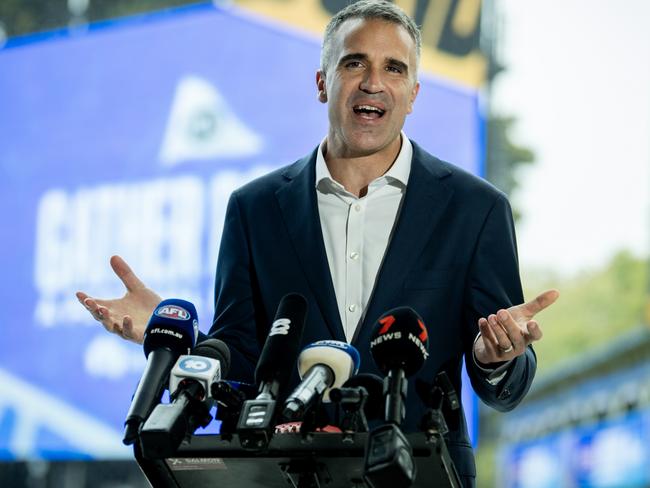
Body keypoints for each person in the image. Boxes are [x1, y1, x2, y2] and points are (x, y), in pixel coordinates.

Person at [77, 1, 558, 485]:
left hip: (419, 473)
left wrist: (496, 356)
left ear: (413, 93)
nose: (373, 82)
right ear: (323, 82)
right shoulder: (255, 208)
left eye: (394, 68)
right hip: (288, 473)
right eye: (355, 63)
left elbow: (503, 389)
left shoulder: (474, 210)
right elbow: (245, 360)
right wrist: (176, 338)